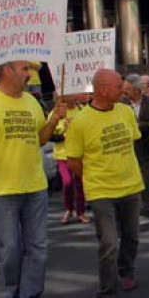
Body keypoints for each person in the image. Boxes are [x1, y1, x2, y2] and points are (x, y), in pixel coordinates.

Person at [0, 61, 66, 298]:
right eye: (24, 70)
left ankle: (31, 293)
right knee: (10, 248)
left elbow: (41, 139)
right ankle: (12, 291)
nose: (29, 75)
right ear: (7, 71)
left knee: (38, 248)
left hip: (35, 186)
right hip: (2, 190)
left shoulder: (31, 102)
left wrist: (52, 121)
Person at [66, 69, 144, 295]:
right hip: (101, 191)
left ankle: (126, 271)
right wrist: (93, 176)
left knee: (132, 236)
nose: (124, 90)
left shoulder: (125, 110)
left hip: (130, 186)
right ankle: (108, 287)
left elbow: (134, 140)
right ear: (103, 90)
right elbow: (73, 161)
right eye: (119, 87)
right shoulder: (80, 122)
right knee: (109, 242)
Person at [122, 74, 149, 217]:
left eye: (128, 90)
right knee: (130, 178)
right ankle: (132, 206)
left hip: (147, 145)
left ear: (136, 90)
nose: (125, 92)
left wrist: (138, 127)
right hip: (129, 147)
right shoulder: (122, 103)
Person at [50, 94, 90, 224]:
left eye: (73, 94)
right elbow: (49, 135)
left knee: (80, 182)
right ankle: (68, 208)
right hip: (63, 154)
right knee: (67, 182)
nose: (72, 97)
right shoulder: (56, 112)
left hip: (78, 153)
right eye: (68, 95)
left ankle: (81, 211)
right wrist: (63, 135)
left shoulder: (82, 110)